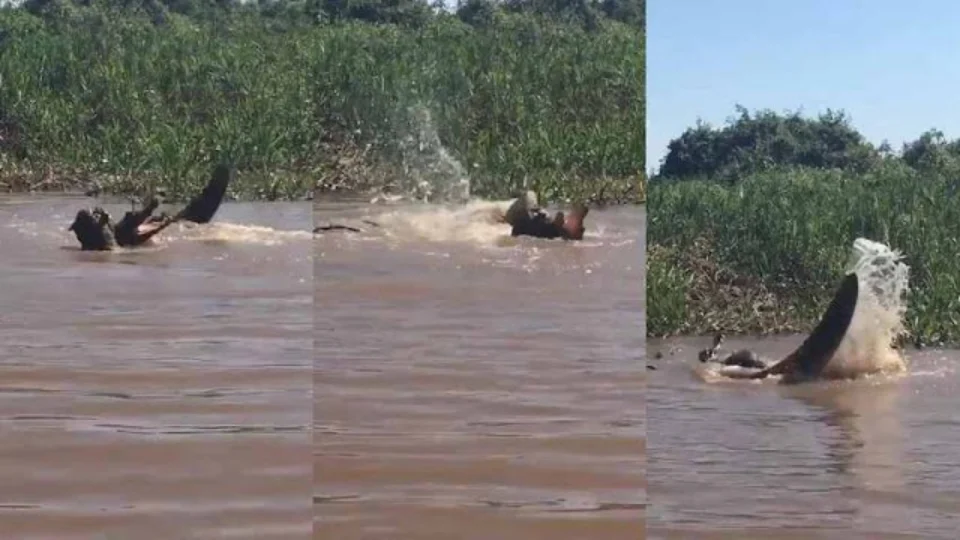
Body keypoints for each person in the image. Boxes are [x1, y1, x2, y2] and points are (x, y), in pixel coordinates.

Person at [501, 190, 589, 240]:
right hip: (527, 218)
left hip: (520, 217)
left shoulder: (552, 228)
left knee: (530, 194)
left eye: (581, 229)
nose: (583, 229)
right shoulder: (553, 227)